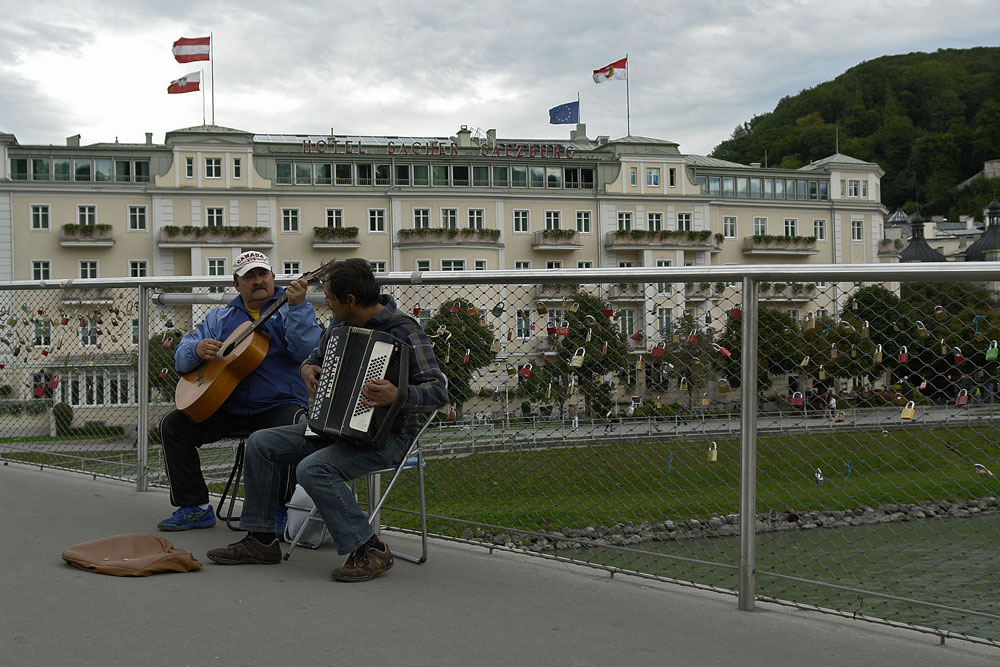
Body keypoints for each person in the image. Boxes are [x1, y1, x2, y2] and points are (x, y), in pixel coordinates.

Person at [206, 258, 448, 582]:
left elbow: (439, 390)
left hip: (387, 436)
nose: (326, 303)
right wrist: (307, 368)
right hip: (332, 427)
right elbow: (311, 358)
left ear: (350, 301)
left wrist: (398, 394)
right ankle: (262, 540)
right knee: (261, 443)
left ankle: (369, 548)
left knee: (313, 468)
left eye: (330, 298)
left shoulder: (404, 330)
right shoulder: (338, 325)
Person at [156, 251, 322, 531]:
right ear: (236, 284)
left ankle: (278, 509)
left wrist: (298, 308)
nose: (258, 281)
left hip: (277, 404)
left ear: (272, 277)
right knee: (173, 425)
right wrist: (196, 350)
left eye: (263, 274)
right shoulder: (219, 318)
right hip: (226, 405)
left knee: (292, 426)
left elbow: (307, 351)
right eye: (249, 276)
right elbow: (181, 359)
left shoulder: (290, 308)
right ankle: (194, 507)